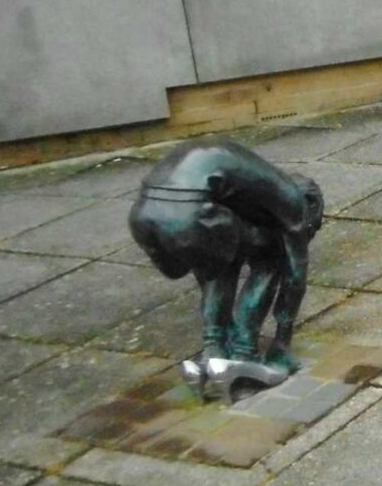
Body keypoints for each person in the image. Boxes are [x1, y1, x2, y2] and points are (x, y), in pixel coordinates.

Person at [127, 138, 323, 397]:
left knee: (222, 263)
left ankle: (214, 350)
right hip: (188, 214)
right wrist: (282, 342)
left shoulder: (249, 189)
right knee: (271, 258)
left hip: (143, 215)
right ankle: (244, 354)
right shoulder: (293, 200)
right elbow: (295, 276)